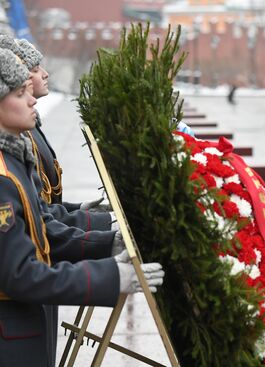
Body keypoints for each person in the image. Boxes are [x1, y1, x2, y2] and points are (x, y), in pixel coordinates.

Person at [0, 48, 165, 367]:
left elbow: (42, 227)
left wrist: (106, 240)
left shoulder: (12, 160)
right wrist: (110, 278)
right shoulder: (2, 177)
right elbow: (20, 275)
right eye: (20, 93)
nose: (32, 99)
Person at [0, 34, 114, 232]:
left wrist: (78, 211)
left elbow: (40, 209)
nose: (45, 74)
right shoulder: (15, 142)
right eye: (34, 71)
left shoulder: (24, 130)